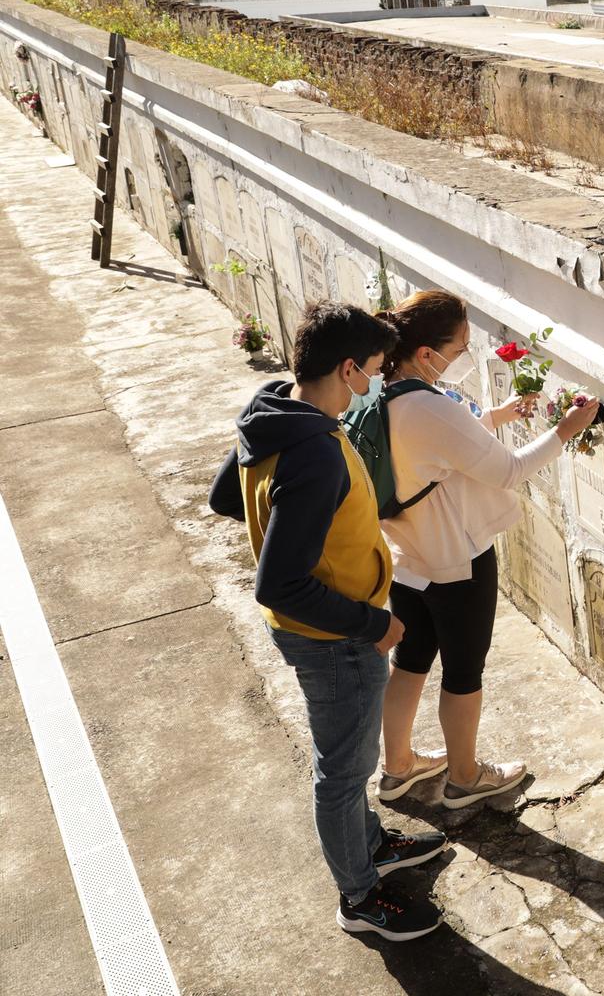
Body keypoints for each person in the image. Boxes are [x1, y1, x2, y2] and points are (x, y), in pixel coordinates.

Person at [208, 301, 448, 941]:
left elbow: (224, 497)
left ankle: (368, 844)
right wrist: (373, 625)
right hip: (335, 639)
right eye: (371, 370)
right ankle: (360, 897)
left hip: (326, 630)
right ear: (346, 369)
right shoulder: (313, 450)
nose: (373, 382)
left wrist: (289, 526)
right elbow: (281, 584)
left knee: (349, 758)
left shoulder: (274, 408)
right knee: (342, 773)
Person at [370, 290, 600, 809]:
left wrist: (492, 417)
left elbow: (435, 448)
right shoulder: (429, 407)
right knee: (463, 671)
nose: (463, 358)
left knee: (410, 662)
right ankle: (466, 778)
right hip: (457, 561)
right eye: (459, 348)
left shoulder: (380, 392)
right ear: (427, 353)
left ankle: (399, 767)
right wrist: (566, 430)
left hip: (408, 556)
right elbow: (509, 470)